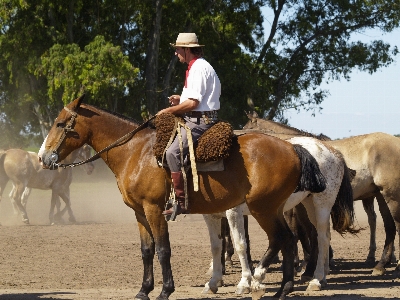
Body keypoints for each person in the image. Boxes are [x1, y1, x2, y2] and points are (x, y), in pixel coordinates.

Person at [157, 32, 221, 217]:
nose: (176, 52)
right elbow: (194, 98)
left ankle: (181, 201)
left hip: (199, 122)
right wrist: (180, 99)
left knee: (172, 152)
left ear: (187, 50)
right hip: (195, 117)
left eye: (178, 49)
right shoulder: (196, 66)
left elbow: (193, 104)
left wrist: (167, 111)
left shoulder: (199, 68)